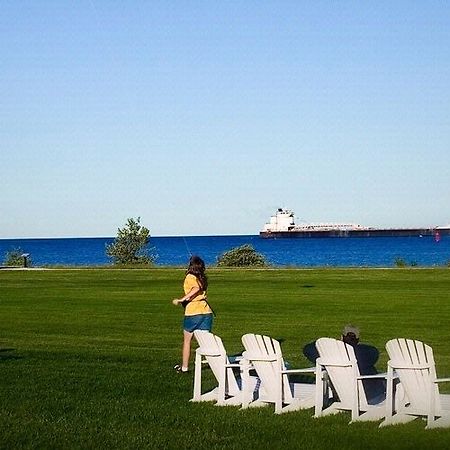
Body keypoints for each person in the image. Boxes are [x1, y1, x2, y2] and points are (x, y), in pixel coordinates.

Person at [303, 324, 385, 399]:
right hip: (370, 394)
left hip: (340, 391)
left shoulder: (329, 353)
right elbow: (375, 354)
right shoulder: (367, 352)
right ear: (358, 340)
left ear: (342, 337)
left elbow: (307, 349)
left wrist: (331, 344)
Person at [172, 255, 213, 373]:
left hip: (193, 312)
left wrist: (182, 299)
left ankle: (184, 367)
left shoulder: (190, 277)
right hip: (206, 312)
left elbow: (195, 288)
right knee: (206, 342)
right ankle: (214, 363)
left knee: (187, 340)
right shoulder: (202, 278)